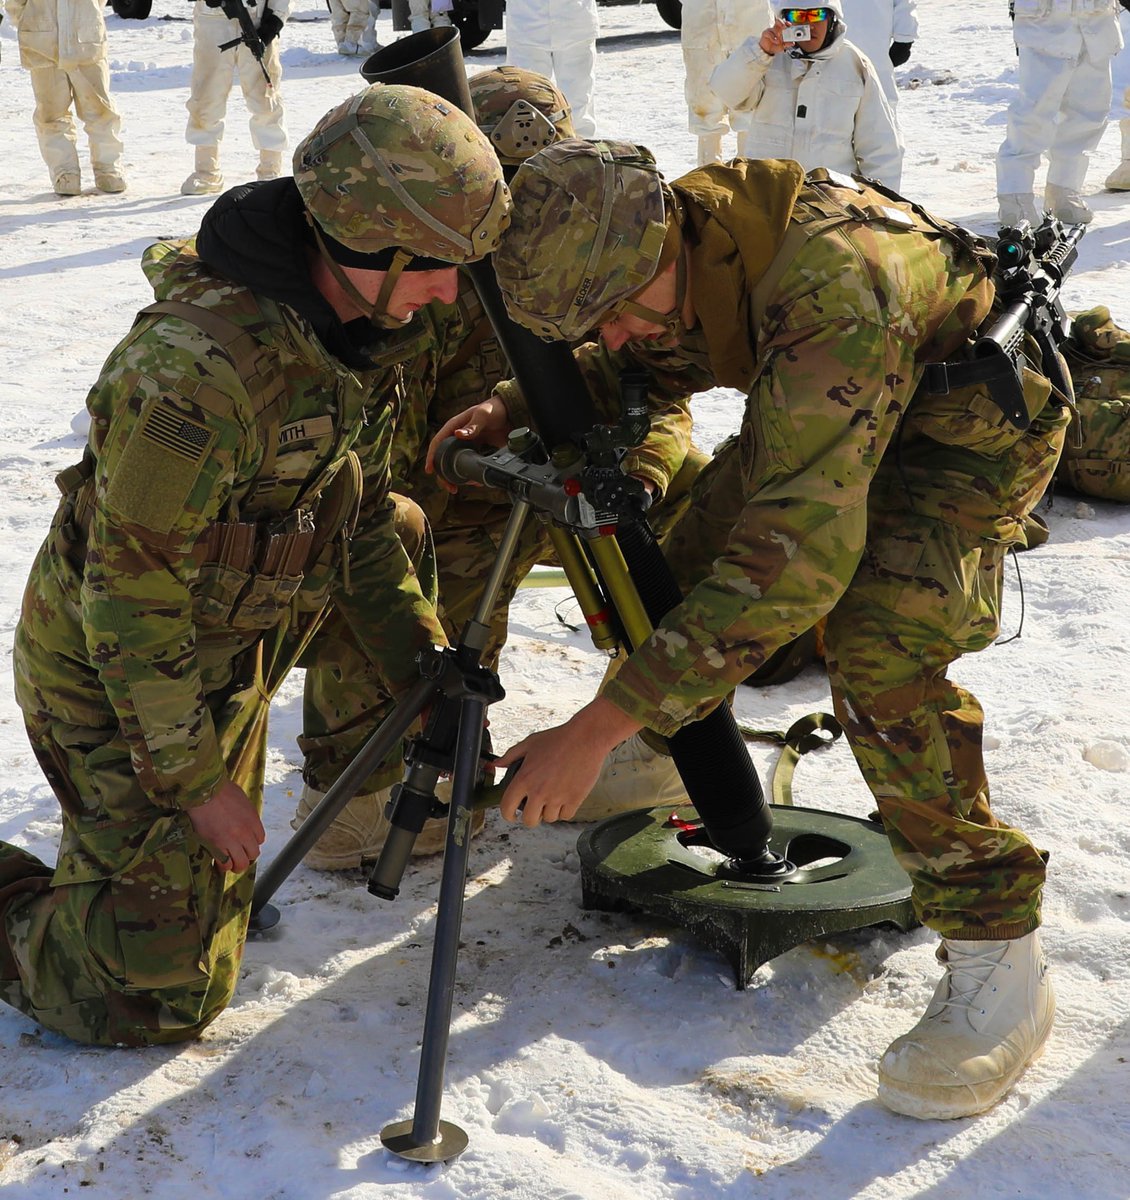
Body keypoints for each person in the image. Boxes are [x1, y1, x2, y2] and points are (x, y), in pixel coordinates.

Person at [481, 138, 1066, 1119]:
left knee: (877, 660)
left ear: (655, 248)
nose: (616, 336)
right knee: (676, 571)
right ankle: (667, 749)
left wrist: (591, 729)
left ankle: (997, 954)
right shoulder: (677, 237)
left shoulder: (826, 292)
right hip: (833, 406)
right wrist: (510, 406)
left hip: (959, 440)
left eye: (617, 311)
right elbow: (646, 351)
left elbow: (796, 562)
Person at [0, 83, 509, 1048]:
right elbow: (127, 592)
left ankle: (342, 786)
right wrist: (198, 781)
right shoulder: (197, 370)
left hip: (242, 625)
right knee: (152, 998)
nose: (449, 293)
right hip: (122, 671)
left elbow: (349, 513)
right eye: (439, 268)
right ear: (369, 246)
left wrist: (424, 663)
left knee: (392, 518)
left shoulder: (360, 324)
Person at [291, 66, 707, 870]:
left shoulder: (593, 242)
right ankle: (360, 791)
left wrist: (643, 474)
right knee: (378, 543)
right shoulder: (404, 276)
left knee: (704, 497)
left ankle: (654, 741)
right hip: (446, 508)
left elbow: (655, 388)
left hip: (556, 484)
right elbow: (372, 484)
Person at [709, 2, 904, 189]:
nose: (807, 24)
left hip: (831, 201)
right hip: (766, 195)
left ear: (832, 18)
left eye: (816, 14)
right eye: (798, 16)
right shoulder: (767, 57)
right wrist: (761, 53)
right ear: (784, 19)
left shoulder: (854, 65)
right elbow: (726, 92)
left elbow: (880, 150)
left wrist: (879, 207)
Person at [996, 0, 1123, 226]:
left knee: (1089, 111)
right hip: (1045, 18)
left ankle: (1063, 189)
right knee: (1035, 111)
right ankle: (1015, 195)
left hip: (1096, 16)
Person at [4, 0, 126, 195]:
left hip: (85, 35)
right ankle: (65, 172)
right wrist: (28, 19)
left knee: (100, 109)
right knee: (51, 113)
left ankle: (108, 168)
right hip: (42, 38)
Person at [180, 0, 290, 196]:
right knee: (206, 97)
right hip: (212, 19)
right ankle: (206, 171)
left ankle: (270, 169)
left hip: (257, 18)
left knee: (265, 98)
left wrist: (274, 21)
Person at [679, 0, 772, 165]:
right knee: (704, 107)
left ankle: (750, 173)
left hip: (749, 22)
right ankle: (708, 173)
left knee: (752, 105)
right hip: (702, 26)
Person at [504, 0, 599, 137]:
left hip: (574, 22)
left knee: (578, 99)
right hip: (526, 24)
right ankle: (527, 150)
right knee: (525, 97)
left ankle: (580, 149)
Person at [840, 0, 917, 108]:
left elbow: (903, 3)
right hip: (830, 43)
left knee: (880, 103)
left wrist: (904, 40)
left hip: (875, 45)